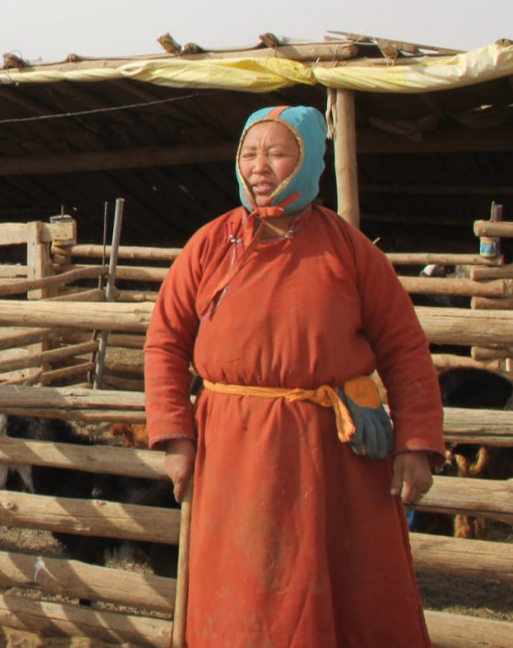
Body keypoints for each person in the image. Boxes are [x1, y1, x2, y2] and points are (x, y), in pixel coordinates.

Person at [145, 104, 445, 647]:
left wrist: (417, 444)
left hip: (333, 460)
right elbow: (165, 341)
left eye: (277, 153)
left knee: (344, 598)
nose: (259, 166)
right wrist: (176, 437)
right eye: (249, 152)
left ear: (308, 162)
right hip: (234, 454)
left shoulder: (350, 251)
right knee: (243, 599)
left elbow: (404, 348)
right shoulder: (210, 246)